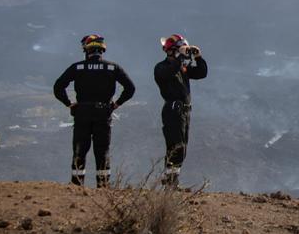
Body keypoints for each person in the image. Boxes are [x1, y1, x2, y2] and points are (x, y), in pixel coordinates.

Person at [53, 34, 135, 187]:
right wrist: (116, 104)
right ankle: (103, 187)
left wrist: (69, 104)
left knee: (80, 150)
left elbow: (58, 87)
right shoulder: (112, 67)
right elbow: (130, 88)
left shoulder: (77, 67)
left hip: (82, 113)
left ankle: (77, 185)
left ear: (86, 49)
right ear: (102, 49)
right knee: (102, 151)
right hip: (103, 113)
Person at [154, 33, 208, 187]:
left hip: (184, 113)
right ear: (172, 51)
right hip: (172, 111)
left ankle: (172, 181)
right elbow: (168, 73)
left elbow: (201, 73)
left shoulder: (182, 68)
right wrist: (179, 59)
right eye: (180, 49)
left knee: (182, 148)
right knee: (175, 146)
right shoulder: (161, 68)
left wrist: (198, 57)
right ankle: (170, 183)